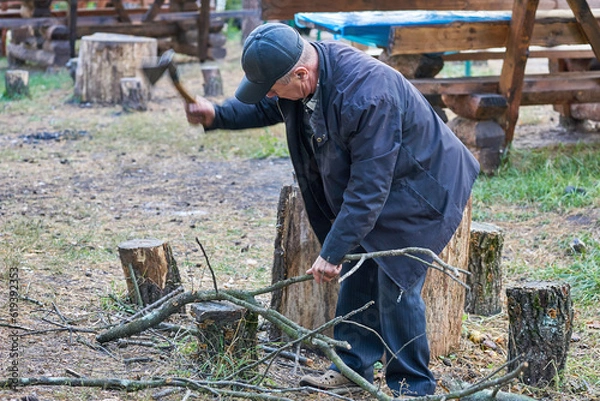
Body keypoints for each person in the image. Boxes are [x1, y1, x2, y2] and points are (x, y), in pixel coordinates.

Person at [185, 22, 480, 397]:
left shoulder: (368, 95)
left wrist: (331, 252)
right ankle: (350, 365)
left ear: (301, 74)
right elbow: (267, 105)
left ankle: (412, 386)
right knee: (357, 269)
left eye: (275, 88)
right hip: (381, 181)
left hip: (422, 186)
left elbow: (368, 189)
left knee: (396, 281)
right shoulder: (303, 69)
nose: (273, 96)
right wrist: (218, 114)